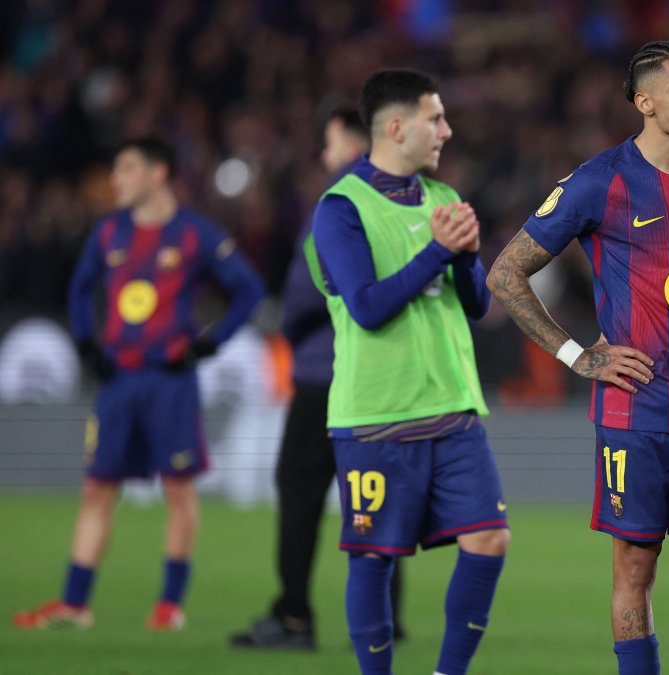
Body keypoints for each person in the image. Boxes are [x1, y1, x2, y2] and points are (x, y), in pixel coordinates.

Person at [488, 40, 669, 675]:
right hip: (634, 411)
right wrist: (575, 355)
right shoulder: (599, 182)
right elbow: (506, 274)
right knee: (636, 569)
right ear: (644, 102)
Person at [12, 137, 266, 630]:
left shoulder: (194, 233)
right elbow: (81, 287)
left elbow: (248, 290)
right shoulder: (109, 231)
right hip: (119, 383)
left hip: (170, 382)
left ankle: (169, 606)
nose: (116, 179)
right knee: (96, 489)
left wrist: (208, 345)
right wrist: (86, 344)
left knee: (179, 492)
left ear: (157, 173)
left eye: (126, 169)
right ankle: (75, 604)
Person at [308, 69, 508, 675]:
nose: (446, 130)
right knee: (373, 559)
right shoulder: (340, 208)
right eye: (436, 118)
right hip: (375, 415)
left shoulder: (444, 200)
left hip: (453, 407)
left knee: (490, 540)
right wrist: (440, 252)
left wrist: (470, 258)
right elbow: (366, 307)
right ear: (397, 127)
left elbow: (476, 305)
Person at [230, 106, 407, 650]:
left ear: (352, 143)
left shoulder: (339, 197)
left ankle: (292, 617)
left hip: (325, 371)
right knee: (374, 494)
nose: (325, 155)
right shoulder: (405, 197)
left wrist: (291, 324)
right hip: (381, 375)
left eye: (329, 142)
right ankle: (386, 616)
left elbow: (309, 285)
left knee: (301, 487)